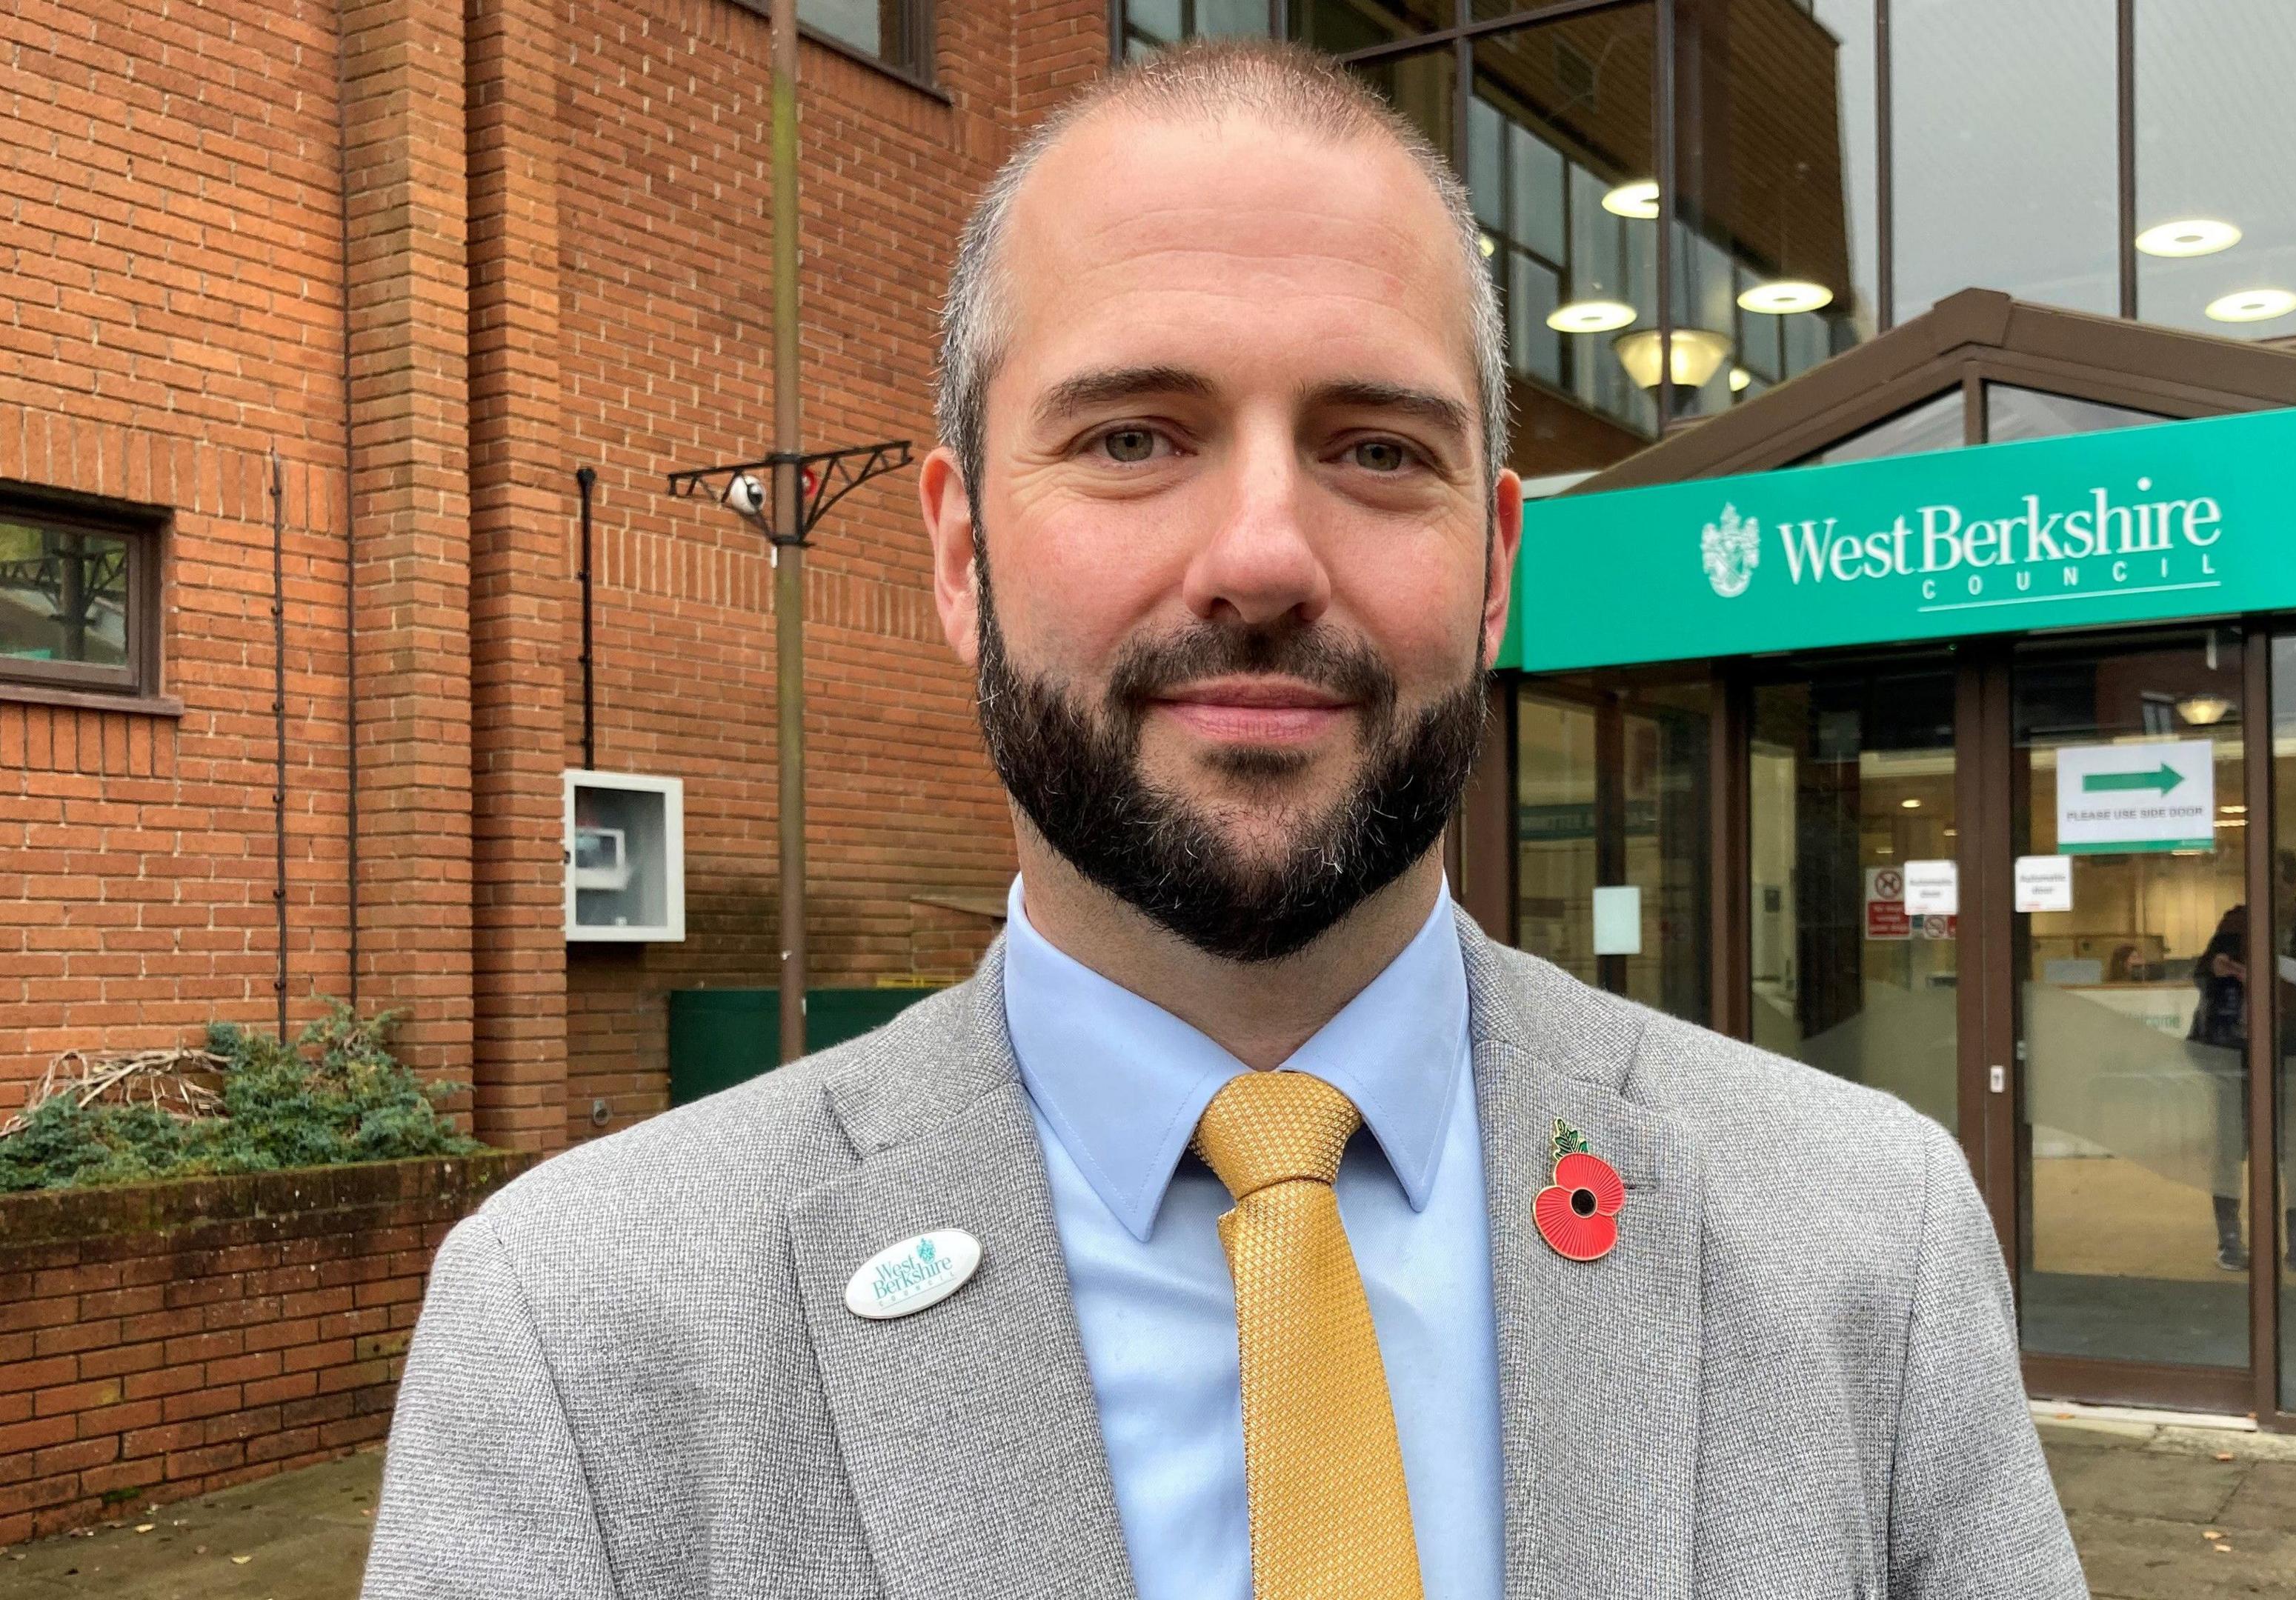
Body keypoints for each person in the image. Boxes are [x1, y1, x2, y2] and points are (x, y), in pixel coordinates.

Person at [361, 41, 2081, 1600]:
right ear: (959, 550)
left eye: (1374, 450)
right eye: (1133, 435)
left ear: (1494, 564)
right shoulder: (583, 1326)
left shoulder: (1867, 1238)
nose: (1262, 553)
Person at [2188, 849, 2296, 1273]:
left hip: (2291, 1055)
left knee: (2294, 1151)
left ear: (2295, 886)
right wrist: (2216, 968)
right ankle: (2230, 1240)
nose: (2268, 895)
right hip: (2233, 1051)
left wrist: (2271, 972)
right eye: (2260, 885)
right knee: (2227, 1149)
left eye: (2277, 885)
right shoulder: (2236, 922)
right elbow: (2202, 973)